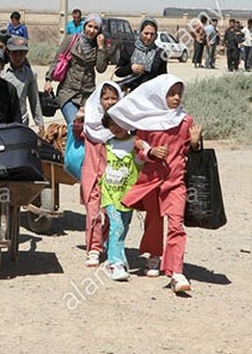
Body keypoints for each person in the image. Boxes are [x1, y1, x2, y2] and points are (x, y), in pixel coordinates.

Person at [109, 74, 202, 293]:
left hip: (175, 181)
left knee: (176, 224)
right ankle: (154, 255)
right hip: (151, 180)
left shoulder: (185, 120)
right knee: (154, 220)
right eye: (171, 93)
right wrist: (150, 151)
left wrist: (196, 143)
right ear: (161, 95)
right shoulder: (147, 120)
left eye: (179, 93)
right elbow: (138, 145)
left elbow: (189, 148)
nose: (176, 98)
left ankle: (176, 272)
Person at [72, 81, 122, 267]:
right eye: (106, 98)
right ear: (99, 100)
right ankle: (93, 249)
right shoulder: (90, 121)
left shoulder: (122, 125)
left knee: (109, 213)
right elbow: (77, 135)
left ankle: (107, 245)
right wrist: (78, 120)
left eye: (113, 98)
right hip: (91, 175)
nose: (109, 102)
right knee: (93, 213)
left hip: (113, 177)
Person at [43, 13, 112, 125]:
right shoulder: (71, 40)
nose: (92, 30)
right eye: (90, 26)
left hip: (87, 94)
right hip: (68, 92)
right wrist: (48, 80)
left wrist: (101, 47)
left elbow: (100, 68)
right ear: (84, 26)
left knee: (87, 127)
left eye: (95, 28)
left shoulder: (97, 46)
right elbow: (57, 60)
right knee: (73, 124)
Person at [100, 112, 141, 281]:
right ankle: (114, 264)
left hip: (128, 195)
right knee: (117, 226)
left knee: (123, 225)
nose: (115, 128)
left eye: (119, 123)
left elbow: (141, 163)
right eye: (111, 125)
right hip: (109, 193)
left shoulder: (136, 143)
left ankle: (112, 249)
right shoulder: (107, 144)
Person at [1, 36, 44, 136]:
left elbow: (34, 100)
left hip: (21, 119)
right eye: (14, 53)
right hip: (2, 119)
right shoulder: (1, 72)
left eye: (21, 53)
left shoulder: (30, 74)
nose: (18, 57)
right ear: (8, 53)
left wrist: (39, 123)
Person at [114, 17, 167, 92]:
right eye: (146, 33)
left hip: (150, 94)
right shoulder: (129, 48)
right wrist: (131, 68)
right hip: (130, 93)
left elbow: (163, 78)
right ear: (140, 32)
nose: (149, 37)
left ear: (156, 35)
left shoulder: (160, 53)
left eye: (152, 34)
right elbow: (118, 72)